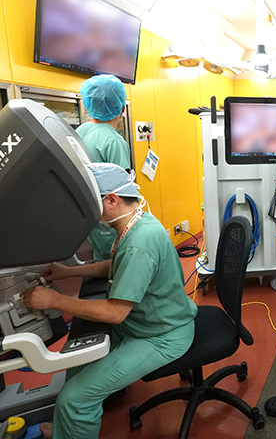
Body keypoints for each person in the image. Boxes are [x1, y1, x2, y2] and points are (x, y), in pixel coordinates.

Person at [23, 163, 197, 439]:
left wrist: (54, 299)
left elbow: (115, 313)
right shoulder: (138, 222)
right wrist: (70, 271)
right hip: (142, 325)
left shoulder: (140, 241)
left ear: (112, 200)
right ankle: (67, 429)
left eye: (89, 204)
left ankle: (71, 419)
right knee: (77, 358)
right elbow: (119, 265)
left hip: (161, 336)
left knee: (75, 399)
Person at [76, 74, 132, 260]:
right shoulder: (114, 141)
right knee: (118, 265)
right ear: (122, 108)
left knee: (100, 264)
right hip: (110, 222)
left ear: (87, 105)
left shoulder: (80, 131)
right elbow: (123, 194)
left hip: (91, 218)